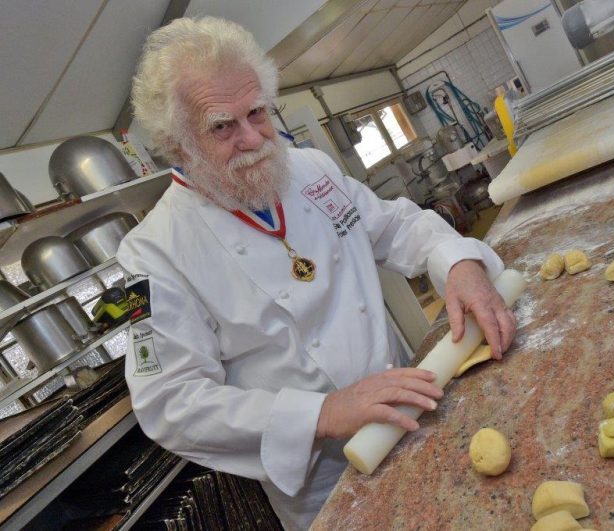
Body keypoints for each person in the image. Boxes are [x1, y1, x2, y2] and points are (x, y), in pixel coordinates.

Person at [119, 16, 516, 530]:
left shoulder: (310, 170)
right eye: (222, 126)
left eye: (258, 112)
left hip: (415, 405)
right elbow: (170, 401)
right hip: (326, 480)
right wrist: (321, 413)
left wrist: (458, 262)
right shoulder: (151, 255)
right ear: (176, 144)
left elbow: (394, 227)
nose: (253, 138)